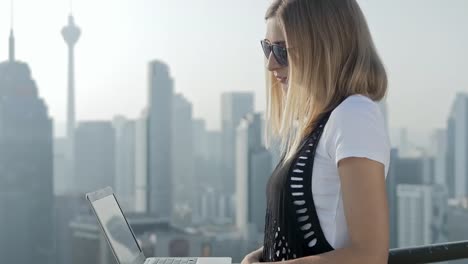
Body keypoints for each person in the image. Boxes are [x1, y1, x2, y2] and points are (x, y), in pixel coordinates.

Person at [241, 0, 390, 263]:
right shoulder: (321, 121)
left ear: (324, 47)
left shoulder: (354, 115)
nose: (271, 64)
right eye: (267, 48)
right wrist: (259, 257)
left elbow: (369, 255)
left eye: (282, 50)